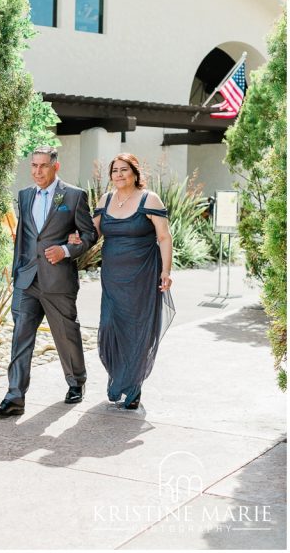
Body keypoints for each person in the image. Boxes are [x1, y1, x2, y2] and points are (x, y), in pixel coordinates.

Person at [0, 146, 98, 417]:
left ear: (55, 167)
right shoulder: (25, 196)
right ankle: (14, 397)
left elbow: (89, 235)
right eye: (34, 166)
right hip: (27, 279)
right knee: (20, 338)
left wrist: (66, 250)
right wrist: (17, 272)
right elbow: (25, 238)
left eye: (43, 166)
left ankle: (76, 381)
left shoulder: (73, 196)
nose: (38, 171)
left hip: (58, 279)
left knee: (65, 334)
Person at [67, 153, 173, 410]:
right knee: (110, 327)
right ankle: (120, 375)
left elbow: (164, 237)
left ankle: (133, 386)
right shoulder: (106, 199)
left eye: (124, 170)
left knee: (136, 329)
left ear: (135, 173)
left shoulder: (150, 199)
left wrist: (166, 271)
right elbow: (93, 233)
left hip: (142, 276)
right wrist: (75, 238)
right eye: (114, 171)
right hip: (112, 277)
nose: (119, 175)